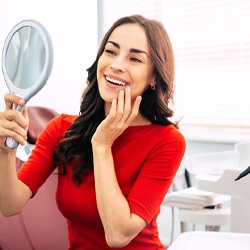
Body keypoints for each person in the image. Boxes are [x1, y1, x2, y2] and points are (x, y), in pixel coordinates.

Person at [0, 15, 186, 249]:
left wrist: (102, 145)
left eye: (135, 58)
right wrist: (5, 151)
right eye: (110, 51)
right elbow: (10, 205)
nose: (117, 64)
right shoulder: (61, 129)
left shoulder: (167, 141)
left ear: (154, 77)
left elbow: (118, 236)